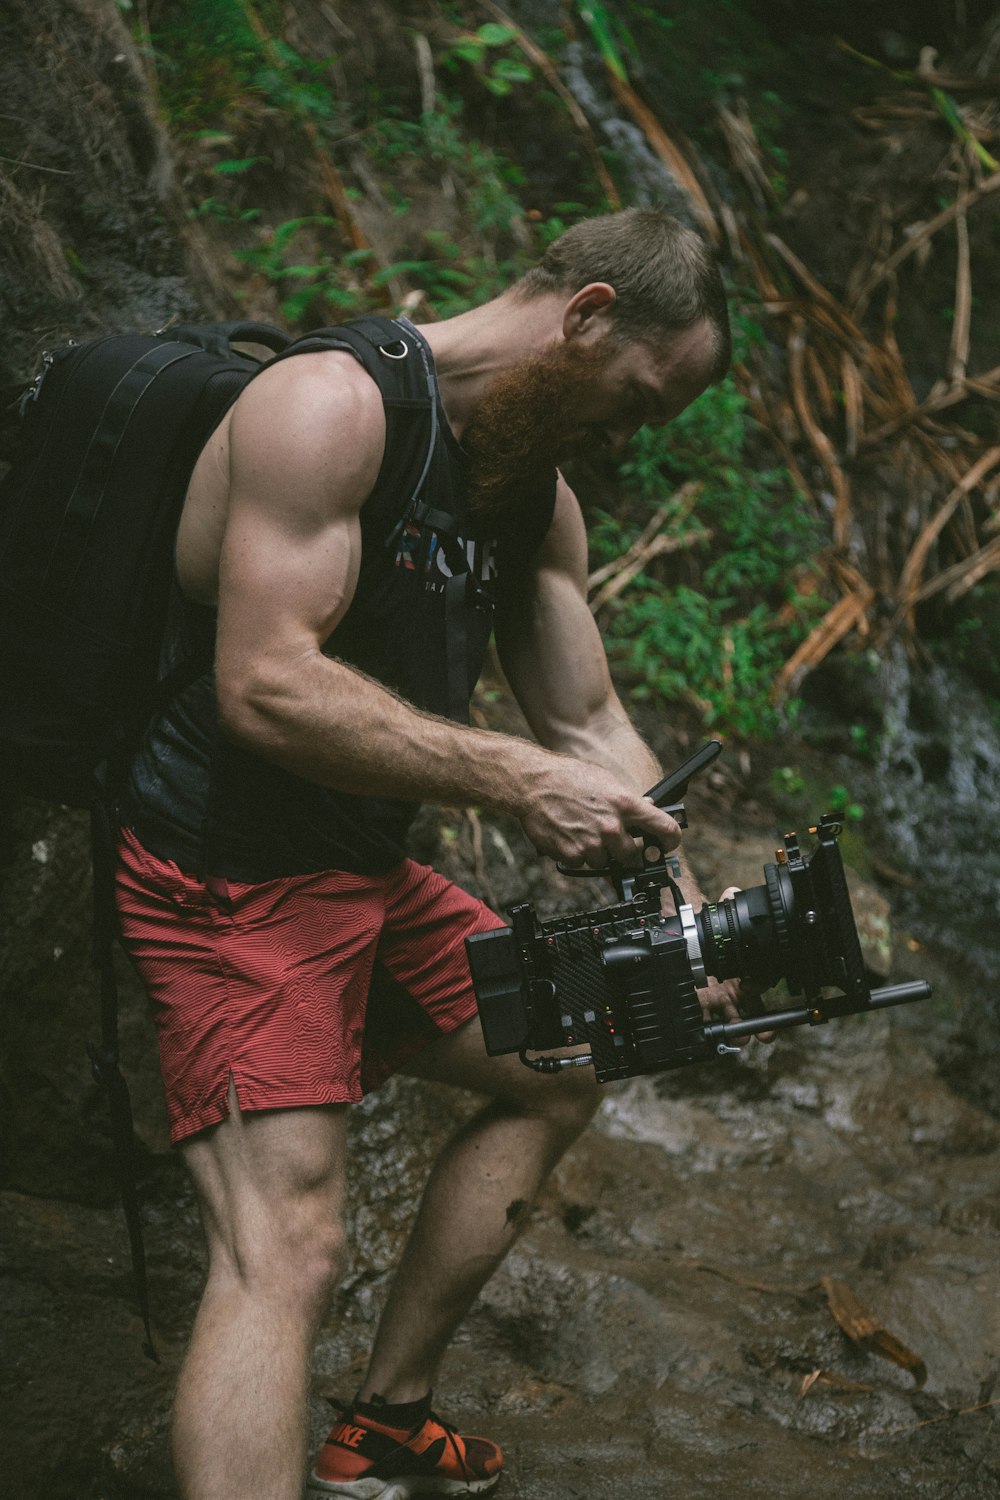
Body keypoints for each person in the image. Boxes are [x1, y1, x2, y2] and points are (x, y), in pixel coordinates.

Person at [115, 207, 753, 1500]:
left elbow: (585, 719)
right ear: (584, 317)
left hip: (358, 871)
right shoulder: (329, 411)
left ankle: (388, 1424)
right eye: (634, 401)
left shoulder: (535, 500)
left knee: (558, 1066)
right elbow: (268, 686)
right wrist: (515, 780)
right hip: (225, 877)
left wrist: (686, 913)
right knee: (284, 1245)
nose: (627, 443)